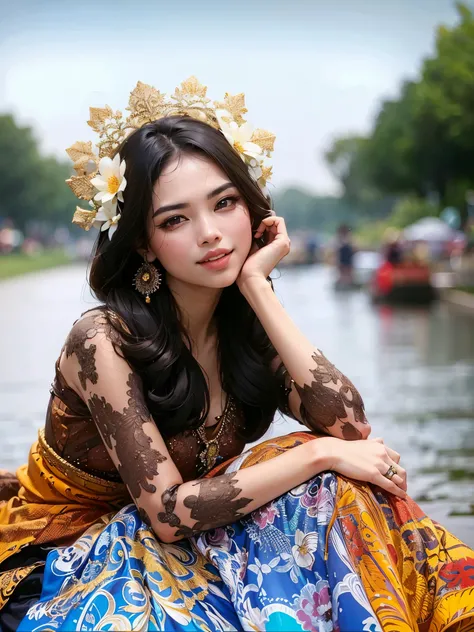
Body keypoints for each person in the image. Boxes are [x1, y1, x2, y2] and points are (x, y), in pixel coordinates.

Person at [0, 77, 473, 632]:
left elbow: (349, 426)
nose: (210, 233)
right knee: (316, 464)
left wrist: (257, 285)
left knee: (342, 484)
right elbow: (171, 513)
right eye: (175, 219)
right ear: (143, 243)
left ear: (252, 210)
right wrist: (316, 456)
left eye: (225, 204)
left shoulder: (244, 328)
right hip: (66, 561)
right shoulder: (102, 339)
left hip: (173, 549)